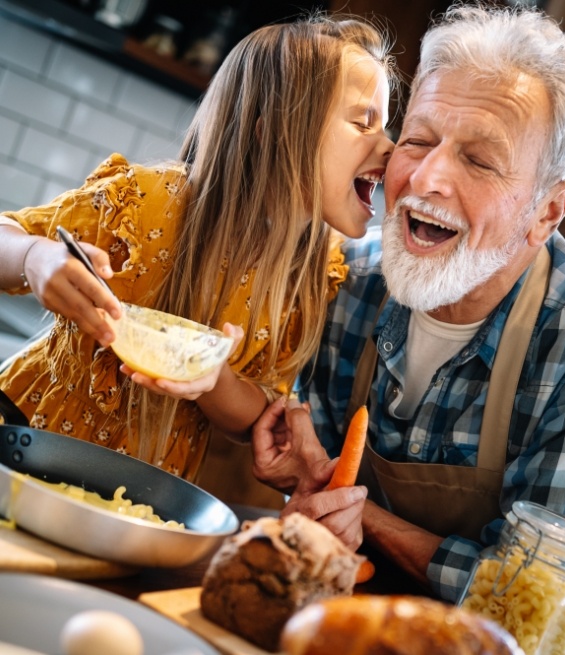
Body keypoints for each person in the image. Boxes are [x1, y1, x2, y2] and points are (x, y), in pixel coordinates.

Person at [251, 2, 565, 644]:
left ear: (549, 208)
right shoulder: (347, 282)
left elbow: (539, 610)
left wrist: (371, 521)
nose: (428, 178)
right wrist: (307, 473)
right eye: (417, 140)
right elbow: (318, 510)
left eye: (479, 160)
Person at [0, 14, 395, 495]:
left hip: (136, 498)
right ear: (272, 132)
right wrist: (33, 258)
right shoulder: (145, 203)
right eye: (363, 123)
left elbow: (255, 415)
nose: (391, 147)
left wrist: (215, 379)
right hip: (20, 440)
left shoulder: (314, 272)